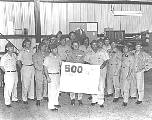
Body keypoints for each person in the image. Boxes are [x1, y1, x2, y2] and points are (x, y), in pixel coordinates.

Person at [84, 40, 109, 108]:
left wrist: (103, 65)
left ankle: (100, 101)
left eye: (95, 45)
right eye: (93, 45)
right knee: (93, 85)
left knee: (101, 86)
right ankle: (94, 100)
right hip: (92, 71)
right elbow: (85, 61)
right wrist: (90, 65)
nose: (94, 46)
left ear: (97, 45)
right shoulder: (89, 53)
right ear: (91, 45)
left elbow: (106, 60)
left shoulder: (102, 51)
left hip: (101, 70)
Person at [66, 41, 85, 106]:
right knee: (72, 85)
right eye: (74, 45)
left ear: (79, 45)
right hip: (72, 71)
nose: (76, 46)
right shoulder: (70, 53)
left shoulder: (82, 53)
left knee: (80, 85)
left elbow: (84, 61)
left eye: (77, 45)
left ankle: (80, 99)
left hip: (80, 71)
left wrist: (79, 61)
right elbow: (67, 62)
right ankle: (72, 98)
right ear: (72, 46)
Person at [43, 44, 61, 111]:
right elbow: (45, 68)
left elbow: (61, 65)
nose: (56, 50)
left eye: (56, 49)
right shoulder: (47, 58)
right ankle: (51, 106)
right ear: (51, 50)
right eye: (54, 49)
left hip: (57, 75)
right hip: (51, 75)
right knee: (51, 91)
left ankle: (56, 103)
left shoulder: (58, 57)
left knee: (57, 90)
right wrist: (47, 77)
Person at [0, 42, 18, 107]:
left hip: (15, 72)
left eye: (12, 47)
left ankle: (14, 98)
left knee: (14, 86)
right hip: (8, 73)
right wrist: (7, 72)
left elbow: (16, 62)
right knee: (8, 88)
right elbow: (1, 66)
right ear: (7, 48)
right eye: (10, 47)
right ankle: (7, 102)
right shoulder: (4, 57)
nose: (12, 48)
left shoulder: (14, 55)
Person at [17, 39, 35, 104]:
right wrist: (21, 68)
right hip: (25, 67)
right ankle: (24, 98)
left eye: (29, 43)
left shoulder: (31, 51)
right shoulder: (21, 51)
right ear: (24, 44)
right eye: (27, 43)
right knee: (25, 84)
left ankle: (31, 96)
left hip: (32, 67)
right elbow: (18, 61)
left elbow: (33, 58)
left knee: (32, 83)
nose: (29, 45)